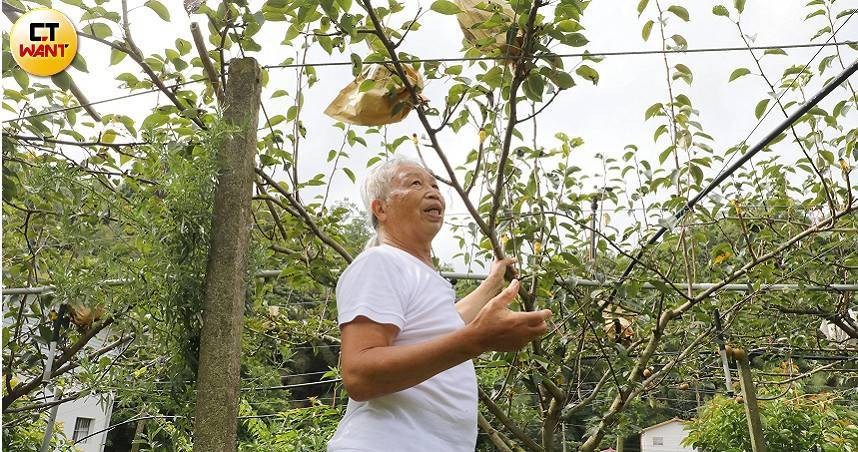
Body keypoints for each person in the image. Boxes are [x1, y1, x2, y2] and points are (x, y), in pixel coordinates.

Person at [327, 157, 552, 452]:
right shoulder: (379, 262)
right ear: (381, 208)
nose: (433, 191)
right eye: (415, 183)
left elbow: (443, 324)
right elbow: (359, 375)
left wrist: (492, 283)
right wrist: (478, 340)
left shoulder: (419, 274)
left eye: (434, 184)